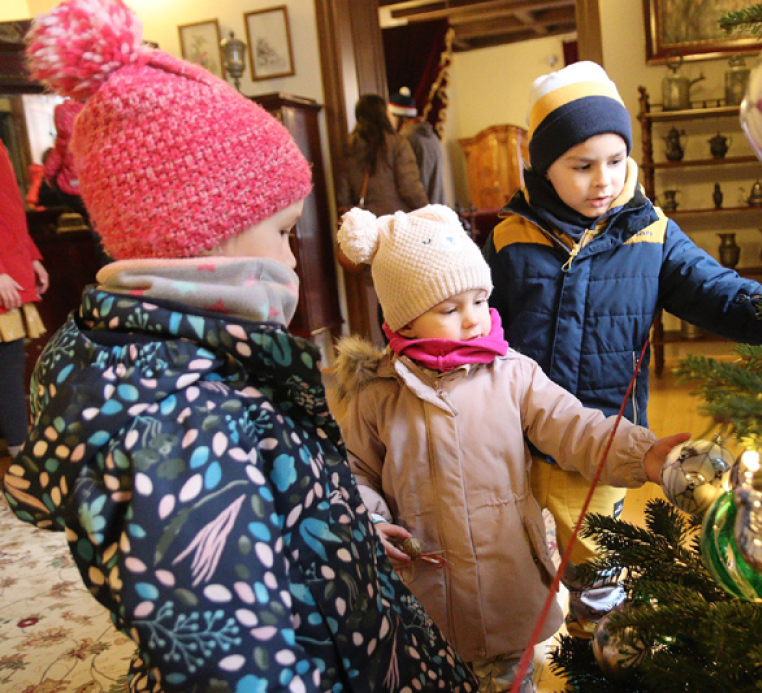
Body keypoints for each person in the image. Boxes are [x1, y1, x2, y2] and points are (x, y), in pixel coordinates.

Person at [3, 1, 476, 690]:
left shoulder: (152, 353)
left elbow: (264, 491)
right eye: (282, 231)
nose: (291, 256)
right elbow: (231, 661)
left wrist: (335, 530)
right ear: (199, 235)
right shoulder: (176, 420)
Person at [482, 61, 762, 638]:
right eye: (582, 166)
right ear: (544, 167)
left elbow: (721, 293)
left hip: (602, 442)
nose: (603, 180)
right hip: (511, 446)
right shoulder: (509, 237)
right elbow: (473, 323)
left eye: (615, 160)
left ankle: (596, 654)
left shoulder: (650, 234)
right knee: (514, 575)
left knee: (598, 578)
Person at [330, 204, 689, 693]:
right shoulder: (377, 395)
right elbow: (353, 471)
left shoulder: (513, 374)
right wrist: (370, 521)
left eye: (480, 300)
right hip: (422, 597)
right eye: (450, 310)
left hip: (505, 586)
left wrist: (640, 452)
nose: (473, 320)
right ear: (405, 321)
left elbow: (575, 427)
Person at [0, 140, 48, 460]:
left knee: (11, 361)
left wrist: (30, 255)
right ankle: (21, 450)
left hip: (11, 267)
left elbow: (9, 209)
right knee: (7, 363)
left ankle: (19, 446)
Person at [338, 93, 429, 216]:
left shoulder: (349, 147)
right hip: (395, 218)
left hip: (365, 221)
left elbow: (343, 194)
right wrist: (427, 210)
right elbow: (409, 187)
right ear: (383, 114)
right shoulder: (397, 143)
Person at [387, 87, 447, 205]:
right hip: (437, 208)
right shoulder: (432, 136)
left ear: (398, 117)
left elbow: (407, 183)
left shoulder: (405, 139)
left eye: (390, 117)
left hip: (420, 211)